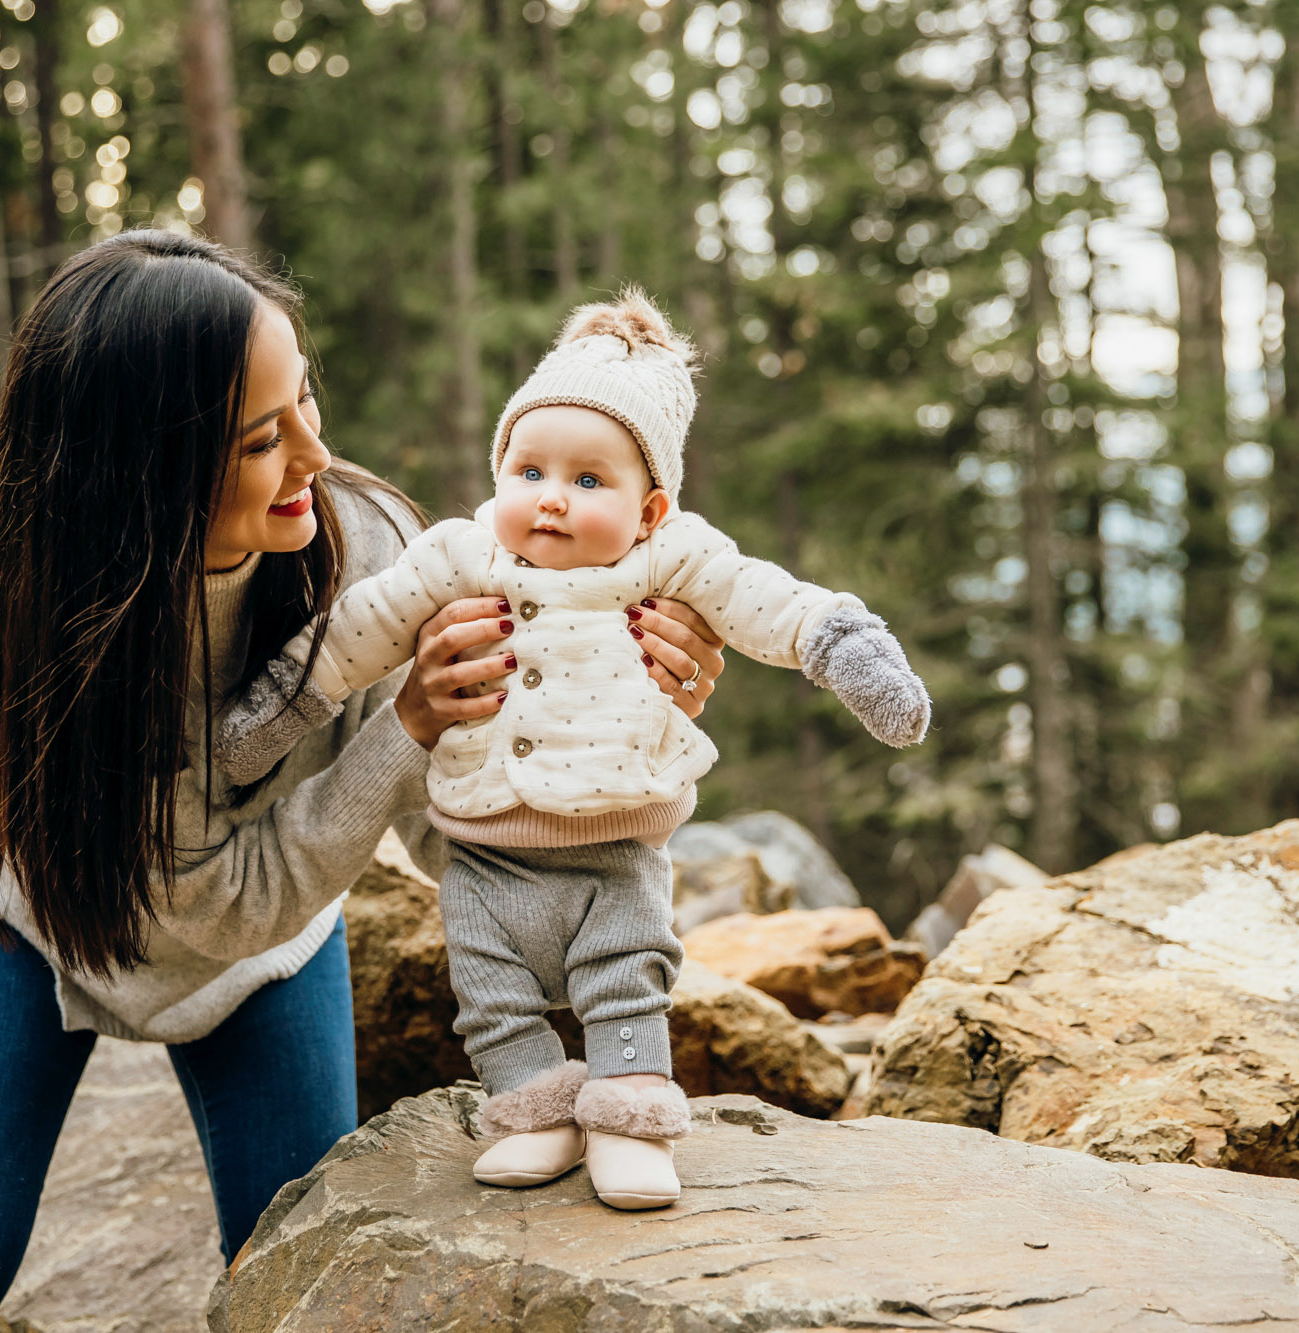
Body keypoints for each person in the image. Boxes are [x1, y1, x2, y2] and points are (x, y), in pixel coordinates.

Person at [0, 232, 728, 1331]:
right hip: (28, 903)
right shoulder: (22, 644)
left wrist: (613, 721)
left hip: (269, 942)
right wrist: (403, 726)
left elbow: (481, 798)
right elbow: (200, 904)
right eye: (261, 438)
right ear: (145, 465)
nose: (312, 455)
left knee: (299, 1263)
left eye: (306, 400)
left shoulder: (374, 542)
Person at [216, 289, 930, 1211]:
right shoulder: (456, 556)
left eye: (590, 481)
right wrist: (273, 712)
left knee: (626, 976)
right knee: (489, 990)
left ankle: (630, 1120)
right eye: (528, 469)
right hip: (481, 850)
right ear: (498, 471)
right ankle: (533, 1109)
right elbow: (353, 635)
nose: (551, 497)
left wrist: (848, 646)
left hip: (615, 846)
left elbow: (768, 599)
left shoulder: (667, 560)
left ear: (650, 509)